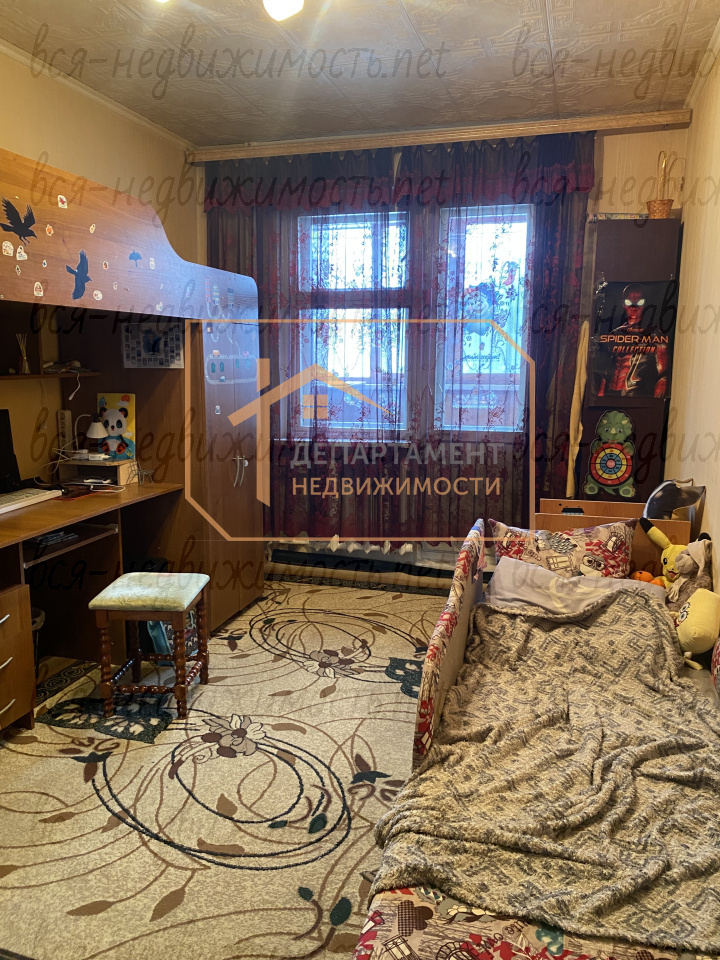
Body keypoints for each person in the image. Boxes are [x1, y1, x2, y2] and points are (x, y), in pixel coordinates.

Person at [595, 284, 669, 399]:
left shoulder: (653, 334)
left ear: (644, 304)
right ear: (623, 304)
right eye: (629, 302)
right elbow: (605, 372)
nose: (634, 307)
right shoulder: (615, 334)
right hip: (612, 395)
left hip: (637, 394)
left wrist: (656, 403)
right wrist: (600, 399)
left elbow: (663, 375)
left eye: (639, 302)